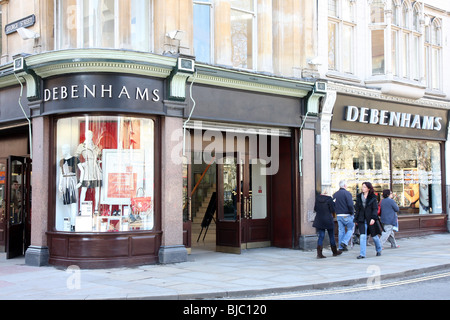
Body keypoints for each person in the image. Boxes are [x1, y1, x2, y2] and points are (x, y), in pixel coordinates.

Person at [354, 182, 383, 259]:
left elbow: (375, 209)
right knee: (362, 236)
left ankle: (379, 249)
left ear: (368, 188)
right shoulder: (359, 196)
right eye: (362, 187)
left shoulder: (372, 197)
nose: (362, 188)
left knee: (374, 237)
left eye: (364, 187)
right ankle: (362, 254)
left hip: (370, 219)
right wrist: (356, 219)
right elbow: (357, 208)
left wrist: (373, 218)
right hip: (361, 219)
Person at [313, 187, 342, 259]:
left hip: (319, 219)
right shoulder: (329, 199)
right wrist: (334, 203)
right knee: (331, 235)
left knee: (321, 236)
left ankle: (319, 254)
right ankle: (334, 252)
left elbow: (315, 209)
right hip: (328, 219)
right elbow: (332, 210)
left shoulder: (317, 198)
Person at [333, 180, 354, 251]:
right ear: (345, 185)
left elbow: (333, 204)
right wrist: (352, 212)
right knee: (350, 229)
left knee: (341, 231)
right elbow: (350, 204)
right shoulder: (347, 193)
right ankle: (344, 242)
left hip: (338, 215)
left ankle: (340, 247)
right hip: (347, 214)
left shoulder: (335, 194)